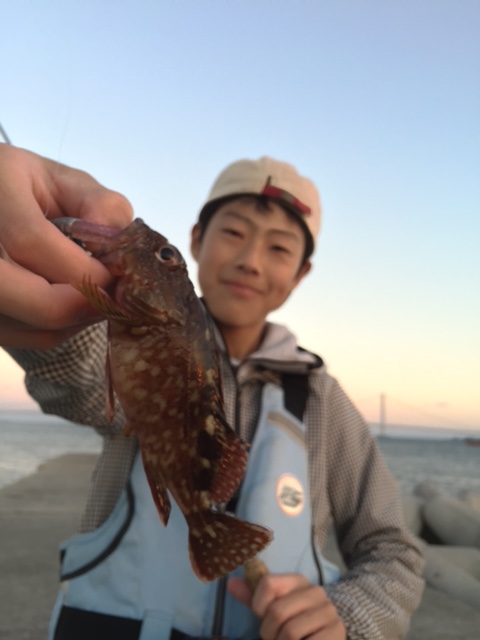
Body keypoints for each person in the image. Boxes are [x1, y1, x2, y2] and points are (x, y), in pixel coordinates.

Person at [0, 142, 425, 640]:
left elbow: (392, 550)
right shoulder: (121, 323)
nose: (250, 261)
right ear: (198, 240)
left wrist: (348, 618)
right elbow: (76, 376)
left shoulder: (323, 402)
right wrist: (33, 271)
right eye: (234, 233)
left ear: (300, 274)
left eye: (279, 248)